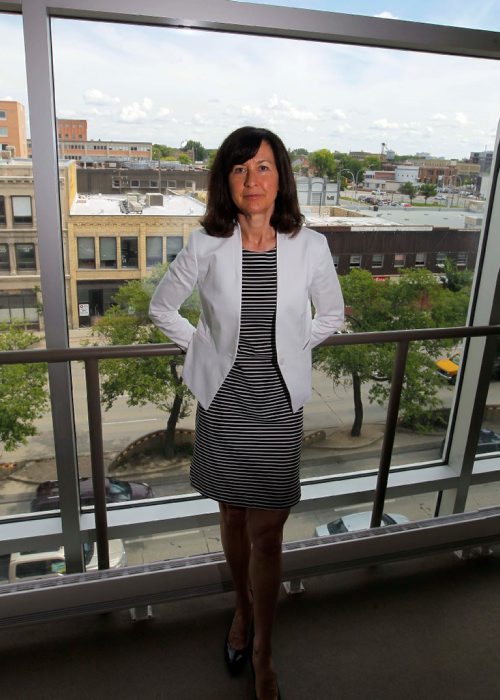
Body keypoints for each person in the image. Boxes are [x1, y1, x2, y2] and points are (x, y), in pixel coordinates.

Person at [149, 126, 344, 700]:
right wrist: (201, 347)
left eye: (262, 167)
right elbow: (164, 308)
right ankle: (241, 608)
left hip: (277, 401)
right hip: (225, 400)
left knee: (270, 535)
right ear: (225, 182)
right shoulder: (206, 244)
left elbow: (331, 314)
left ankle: (263, 651)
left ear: (280, 176)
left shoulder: (310, 245)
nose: (251, 180)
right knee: (233, 517)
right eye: (239, 169)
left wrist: (291, 348)